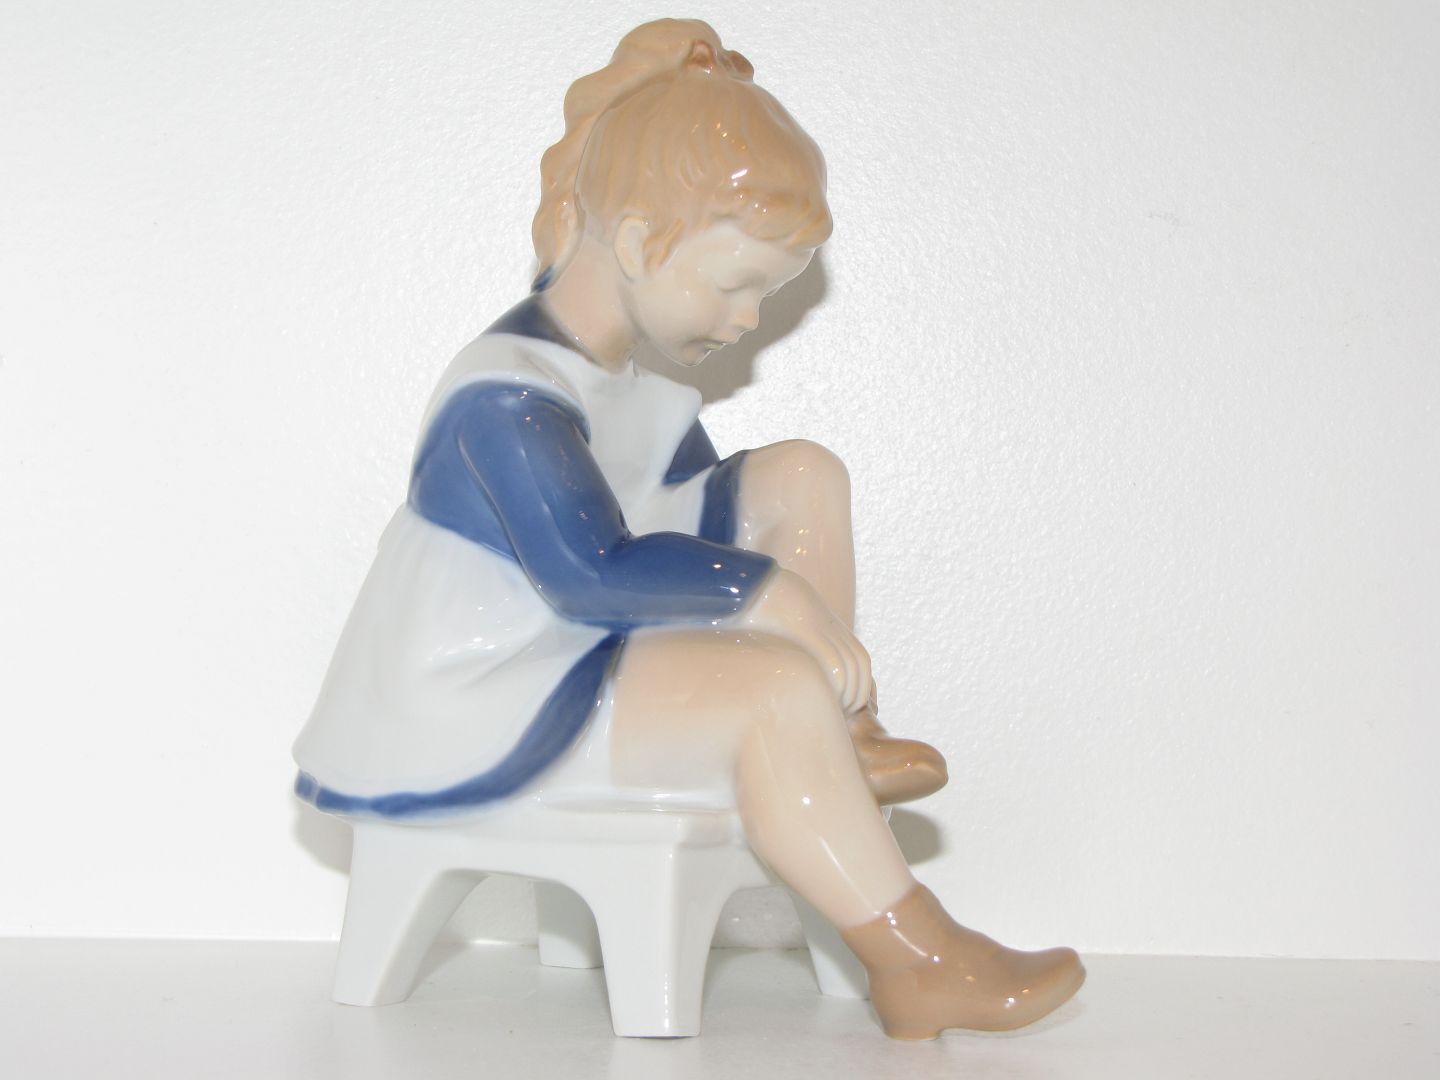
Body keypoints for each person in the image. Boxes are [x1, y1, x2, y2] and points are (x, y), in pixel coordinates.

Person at [293, 19, 1083, 1039]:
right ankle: (920, 958)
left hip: (566, 651)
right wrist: (768, 597)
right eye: (737, 284)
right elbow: (588, 570)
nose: (748, 318)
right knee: (772, 685)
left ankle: (845, 733)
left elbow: (691, 515)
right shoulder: (509, 395)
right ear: (636, 243)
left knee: (803, 475)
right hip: (479, 687)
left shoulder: (640, 386)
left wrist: (764, 593)